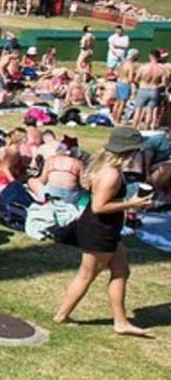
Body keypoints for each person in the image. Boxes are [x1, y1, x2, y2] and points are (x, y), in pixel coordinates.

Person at [54, 128, 154, 337]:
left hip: (102, 227)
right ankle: (62, 315)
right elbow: (99, 206)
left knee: (121, 271)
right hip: (100, 230)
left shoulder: (103, 165)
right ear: (128, 150)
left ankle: (121, 321)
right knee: (86, 275)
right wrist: (131, 203)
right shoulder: (111, 173)